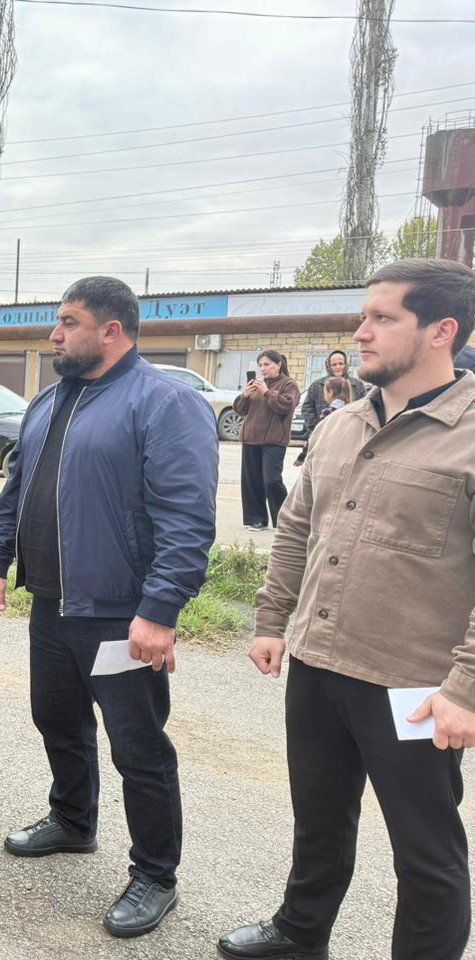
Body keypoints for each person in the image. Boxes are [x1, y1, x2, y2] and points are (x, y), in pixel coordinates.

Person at [218, 258, 475, 960]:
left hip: (413, 685)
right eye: (363, 316)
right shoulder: (340, 424)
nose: (359, 332)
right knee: (320, 820)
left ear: (440, 331)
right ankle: (300, 933)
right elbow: (300, 529)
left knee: (426, 853)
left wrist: (465, 690)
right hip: (319, 663)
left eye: (383, 318)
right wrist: (272, 621)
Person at [0, 276, 218, 939]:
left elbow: (187, 520)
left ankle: (154, 876)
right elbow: (18, 488)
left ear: (111, 331)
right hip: (54, 605)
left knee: (138, 747)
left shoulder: (163, 401)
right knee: (55, 718)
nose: (54, 335)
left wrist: (161, 610)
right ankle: (73, 822)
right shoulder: (50, 400)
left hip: (121, 614)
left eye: (68, 322)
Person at [232, 350, 299, 530]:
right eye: (260, 365)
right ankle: (256, 520)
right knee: (251, 481)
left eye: (267, 364)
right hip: (251, 439)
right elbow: (240, 409)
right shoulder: (256, 384)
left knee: (271, 480)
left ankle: (284, 522)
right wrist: (245, 394)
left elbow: (285, 406)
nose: (263, 368)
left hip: (273, 440)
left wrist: (267, 392)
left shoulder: (288, 384)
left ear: (279, 365)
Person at [293, 350, 365, 466]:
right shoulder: (318, 385)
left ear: (346, 365)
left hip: (348, 438)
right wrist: (316, 426)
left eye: (341, 364)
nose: (338, 367)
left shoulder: (357, 385)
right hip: (321, 437)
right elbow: (307, 407)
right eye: (334, 364)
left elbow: (364, 408)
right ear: (328, 366)